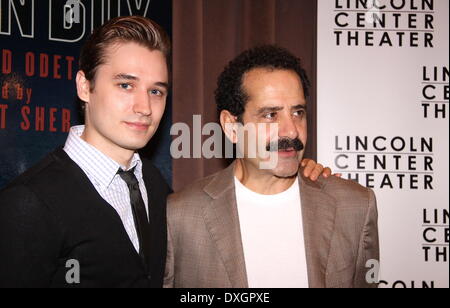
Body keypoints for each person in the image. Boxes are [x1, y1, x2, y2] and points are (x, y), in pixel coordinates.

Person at [0, 17, 328, 288]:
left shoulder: (155, 187)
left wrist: (295, 174)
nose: (144, 107)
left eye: (156, 91)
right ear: (85, 86)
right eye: (125, 85)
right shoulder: (28, 202)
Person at [164, 45, 380, 288]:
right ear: (231, 126)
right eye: (270, 115)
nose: (291, 130)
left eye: (298, 112)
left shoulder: (355, 206)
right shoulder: (179, 216)